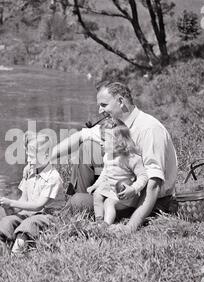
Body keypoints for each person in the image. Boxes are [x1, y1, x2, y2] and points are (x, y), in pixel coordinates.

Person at [50, 81, 178, 233]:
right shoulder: (116, 126)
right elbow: (80, 136)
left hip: (145, 201)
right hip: (118, 191)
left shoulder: (149, 129)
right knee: (88, 146)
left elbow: (154, 183)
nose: (100, 110)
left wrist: (130, 227)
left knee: (77, 202)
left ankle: (78, 210)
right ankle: (80, 209)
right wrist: (46, 159)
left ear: (121, 102)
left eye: (104, 105)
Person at [0, 131, 64, 254]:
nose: (28, 160)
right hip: (29, 214)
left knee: (27, 226)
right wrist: (8, 207)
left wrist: (11, 202)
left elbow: (39, 205)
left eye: (32, 156)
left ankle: (17, 256)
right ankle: (5, 256)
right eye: (27, 156)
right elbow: (23, 200)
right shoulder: (30, 172)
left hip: (48, 216)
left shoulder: (53, 177)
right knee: (5, 224)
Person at [87, 119, 148, 226]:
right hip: (111, 189)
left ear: (118, 142)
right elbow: (105, 173)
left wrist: (133, 189)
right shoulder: (108, 156)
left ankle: (106, 224)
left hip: (125, 194)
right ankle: (99, 220)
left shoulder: (130, 158)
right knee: (97, 194)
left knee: (108, 202)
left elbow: (143, 176)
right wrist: (95, 185)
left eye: (104, 140)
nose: (100, 143)